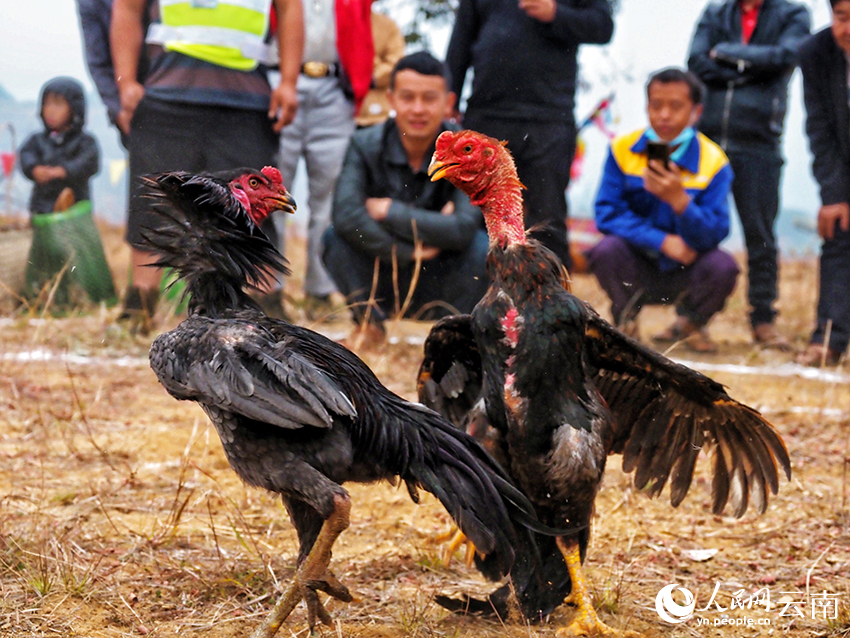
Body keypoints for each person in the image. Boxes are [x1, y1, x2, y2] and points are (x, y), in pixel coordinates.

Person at [110, 0, 303, 330]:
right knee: (152, 201)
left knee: (259, 204)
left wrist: (288, 81)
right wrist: (126, 83)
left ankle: (268, 310)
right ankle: (138, 307)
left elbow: (290, 9)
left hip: (246, 96)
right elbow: (126, 8)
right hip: (167, 92)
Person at [323, 51, 489, 347]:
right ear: (391, 99)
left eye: (429, 98)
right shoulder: (363, 143)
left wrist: (389, 212)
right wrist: (409, 250)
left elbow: (464, 227)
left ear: (449, 103)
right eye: (407, 97)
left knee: (482, 248)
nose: (417, 109)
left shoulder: (466, 152)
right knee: (334, 238)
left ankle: (458, 336)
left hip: (443, 275)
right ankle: (368, 325)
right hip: (383, 268)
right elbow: (346, 216)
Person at [446, 0, 614, 272]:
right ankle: (475, 301)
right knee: (477, 214)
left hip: (548, 117)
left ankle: (553, 307)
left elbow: (603, 27)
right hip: (486, 111)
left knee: (547, 217)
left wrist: (557, 13)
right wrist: (449, 93)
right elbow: (461, 38)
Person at [588, 68, 738, 353]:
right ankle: (626, 321)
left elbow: (717, 230)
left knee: (723, 267)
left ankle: (691, 323)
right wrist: (661, 241)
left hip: (687, 266)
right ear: (647, 107)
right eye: (656, 105)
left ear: (696, 111)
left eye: (676, 106)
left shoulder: (713, 161)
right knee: (606, 250)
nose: (664, 115)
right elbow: (607, 213)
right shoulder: (623, 150)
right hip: (637, 263)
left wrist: (681, 203)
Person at [688, 0, 810, 350]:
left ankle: (763, 320)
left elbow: (786, 57)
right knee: (698, 226)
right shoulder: (715, 12)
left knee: (760, 234)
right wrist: (751, 66)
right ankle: (689, 317)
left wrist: (724, 53)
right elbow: (696, 62)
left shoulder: (793, 14)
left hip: (759, 142)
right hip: (708, 141)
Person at [276, 0, 373, 319]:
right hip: (277, 81)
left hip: (335, 89)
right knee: (270, 192)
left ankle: (320, 291)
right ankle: (269, 291)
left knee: (330, 198)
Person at [796, 0, 850, 366]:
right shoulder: (815, 52)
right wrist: (835, 194)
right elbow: (819, 128)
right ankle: (829, 338)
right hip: (842, 160)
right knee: (838, 229)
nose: (848, 29)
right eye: (842, 17)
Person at [19, 77, 100, 215]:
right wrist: (35, 169)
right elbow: (26, 156)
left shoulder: (85, 141)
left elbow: (89, 162)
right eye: (47, 104)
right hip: (41, 207)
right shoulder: (37, 140)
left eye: (58, 104)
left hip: (75, 207)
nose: (51, 110)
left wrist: (64, 171)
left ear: (74, 108)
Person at [355, 10, 406, 128]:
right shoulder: (330, 21)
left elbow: (397, 65)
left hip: (376, 116)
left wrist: (366, 76)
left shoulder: (387, 25)